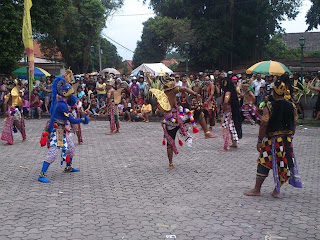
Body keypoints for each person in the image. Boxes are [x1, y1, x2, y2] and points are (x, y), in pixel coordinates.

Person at [244, 79, 302, 198]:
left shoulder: (270, 106)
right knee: (283, 164)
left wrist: (260, 140)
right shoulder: (292, 106)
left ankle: (257, 189)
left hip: (272, 140)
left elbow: (264, 124)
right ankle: (277, 190)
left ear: (274, 92)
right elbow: (295, 122)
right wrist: (291, 136)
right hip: (287, 141)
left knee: (264, 163)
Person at [38, 73, 89, 183]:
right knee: (53, 152)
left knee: (71, 148)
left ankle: (68, 167)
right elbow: (72, 120)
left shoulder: (62, 102)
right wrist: (83, 120)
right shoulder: (61, 105)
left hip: (61, 131)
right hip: (58, 131)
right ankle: (41, 174)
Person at [150, 74, 200, 169]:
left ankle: (170, 163)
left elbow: (159, 109)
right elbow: (185, 89)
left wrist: (158, 111)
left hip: (170, 119)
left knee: (170, 142)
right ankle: (195, 133)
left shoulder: (161, 94)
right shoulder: (173, 90)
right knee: (197, 114)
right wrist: (195, 94)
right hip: (177, 117)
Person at [0, 79, 26, 145]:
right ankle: (24, 136)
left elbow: (5, 103)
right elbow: (21, 102)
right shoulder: (18, 93)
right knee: (19, 125)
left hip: (11, 110)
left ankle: (10, 140)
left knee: (9, 126)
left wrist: (5, 111)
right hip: (17, 110)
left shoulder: (9, 94)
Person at [220, 78, 242, 151]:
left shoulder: (228, 92)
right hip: (231, 111)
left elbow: (226, 101)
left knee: (226, 128)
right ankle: (234, 142)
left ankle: (226, 146)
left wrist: (223, 108)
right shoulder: (232, 91)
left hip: (228, 112)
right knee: (231, 126)